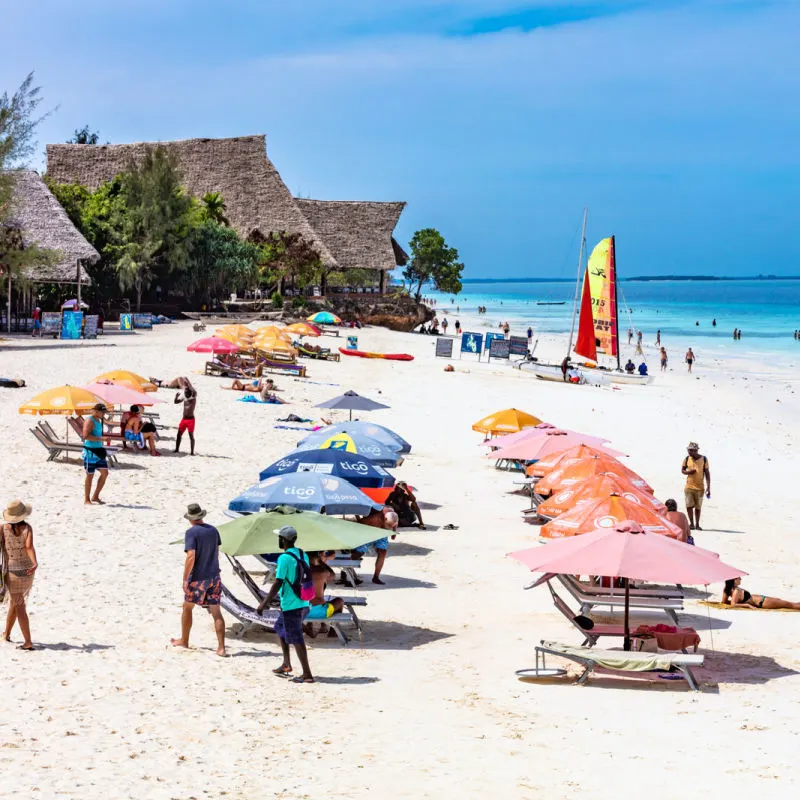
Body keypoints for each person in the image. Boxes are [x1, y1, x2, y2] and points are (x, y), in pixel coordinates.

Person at [257, 526, 314, 683]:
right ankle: (286, 664)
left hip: (291, 605)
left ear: (283, 539)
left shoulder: (283, 559)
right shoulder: (302, 553)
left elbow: (278, 582)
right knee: (280, 628)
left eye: (279, 538)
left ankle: (307, 674)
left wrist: (264, 603)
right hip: (303, 601)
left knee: (297, 639)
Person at [170, 504, 226, 657]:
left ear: (190, 518)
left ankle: (184, 640)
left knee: (187, 607)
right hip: (214, 576)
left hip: (198, 578)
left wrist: (185, 579)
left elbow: (191, 556)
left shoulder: (191, 533)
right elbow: (217, 552)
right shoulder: (213, 530)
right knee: (216, 611)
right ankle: (221, 648)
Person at [2, 500, 38, 650]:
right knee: (15, 602)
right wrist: (34, 562)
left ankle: (28, 642)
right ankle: (6, 633)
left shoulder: (3, 529)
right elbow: (29, 547)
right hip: (28, 572)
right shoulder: (28, 528)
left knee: (19, 606)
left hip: (12, 573)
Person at [353, 507, 398, 585]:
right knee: (358, 553)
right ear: (385, 518)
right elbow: (360, 524)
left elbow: (395, 524)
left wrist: (393, 532)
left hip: (382, 533)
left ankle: (376, 577)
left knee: (383, 552)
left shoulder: (393, 516)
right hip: (368, 532)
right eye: (388, 524)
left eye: (391, 525)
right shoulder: (374, 518)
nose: (389, 526)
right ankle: (345, 571)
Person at [305, 551, 344, 636]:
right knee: (340, 601)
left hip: (302, 611)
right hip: (321, 612)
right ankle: (333, 632)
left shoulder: (299, 572)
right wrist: (322, 562)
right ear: (318, 557)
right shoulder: (322, 572)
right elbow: (333, 575)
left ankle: (310, 624)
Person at [82, 403, 110, 505]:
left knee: (105, 473)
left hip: (99, 450)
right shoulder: (90, 420)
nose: (104, 414)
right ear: (96, 411)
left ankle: (95, 496)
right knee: (90, 475)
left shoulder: (99, 420)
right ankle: (86, 499)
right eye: (103, 412)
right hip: (90, 452)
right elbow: (85, 436)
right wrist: (101, 438)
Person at [681, 442, 710, 531]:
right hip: (689, 486)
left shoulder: (704, 459)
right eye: (688, 450)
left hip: (700, 488)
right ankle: (692, 524)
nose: (689, 452)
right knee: (689, 506)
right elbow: (682, 470)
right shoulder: (687, 458)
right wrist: (689, 472)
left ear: (696, 450)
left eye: (691, 451)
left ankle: (697, 524)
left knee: (698, 507)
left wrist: (708, 487)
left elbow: (707, 473)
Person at [722, 578, 800, 610]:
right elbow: (733, 604)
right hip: (763, 602)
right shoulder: (736, 591)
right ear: (734, 580)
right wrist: (748, 605)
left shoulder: (727, 590)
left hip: (762, 600)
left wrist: (737, 601)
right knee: (790, 605)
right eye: (738, 578)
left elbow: (724, 602)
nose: (740, 579)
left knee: (789, 603)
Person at [175, 386, 197, 455]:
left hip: (191, 420)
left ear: (190, 393)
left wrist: (189, 385)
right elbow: (175, 402)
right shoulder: (184, 398)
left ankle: (192, 452)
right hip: (184, 419)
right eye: (185, 393)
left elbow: (194, 391)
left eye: (187, 393)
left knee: (191, 436)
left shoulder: (193, 398)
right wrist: (176, 396)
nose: (186, 394)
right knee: (179, 434)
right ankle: (177, 449)